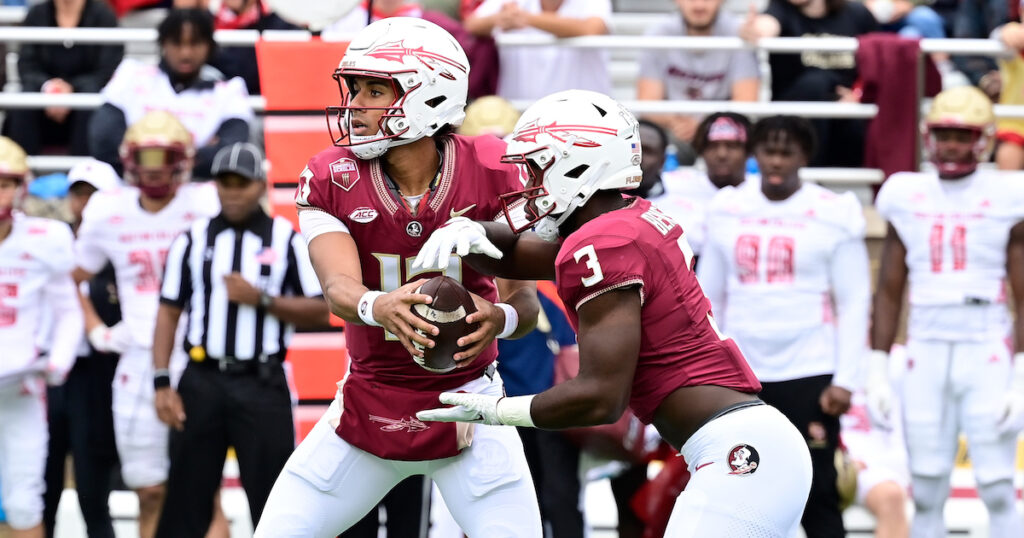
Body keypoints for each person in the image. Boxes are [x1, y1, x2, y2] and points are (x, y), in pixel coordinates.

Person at [411, 89, 813, 536]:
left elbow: (602, 396)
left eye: (537, 167)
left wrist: (497, 411)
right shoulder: (627, 219)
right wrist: (470, 231)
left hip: (738, 453)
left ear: (579, 165)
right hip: (747, 444)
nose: (528, 183)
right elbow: (522, 256)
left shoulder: (606, 242)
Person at [253, 18, 542, 537]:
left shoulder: (496, 168)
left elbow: (527, 308)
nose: (357, 103)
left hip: (471, 403)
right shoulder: (331, 175)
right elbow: (339, 289)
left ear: (430, 95)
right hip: (369, 401)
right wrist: (378, 305)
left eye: (375, 89)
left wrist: (497, 318)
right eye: (356, 88)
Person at [697, 115, 870, 537]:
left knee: (819, 488)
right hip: (742, 370)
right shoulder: (728, 207)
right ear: (755, 154)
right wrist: (705, 369)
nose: (776, 161)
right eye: (768, 150)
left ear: (804, 156)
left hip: (808, 367)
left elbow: (854, 300)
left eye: (786, 151)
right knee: (740, 483)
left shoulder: (833, 210)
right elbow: (708, 297)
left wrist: (846, 378)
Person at [867, 86, 1024, 538]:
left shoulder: (1006, 195)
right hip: (926, 343)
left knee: (997, 485)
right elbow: (890, 288)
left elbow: (1023, 291)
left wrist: (1020, 372)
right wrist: (877, 364)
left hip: (986, 341)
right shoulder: (905, 192)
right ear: (927, 136)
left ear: (984, 139)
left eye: (962, 134)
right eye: (944, 134)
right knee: (929, 486)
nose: (952, 144)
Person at [152, 142, 328, 537]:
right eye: (224, 182)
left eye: (241, 183)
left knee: (273, 501)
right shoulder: (193, 239)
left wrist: (262, 300)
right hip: (201, 379)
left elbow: (320, 310)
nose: (232, 191)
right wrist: (162, 379)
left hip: (261, 383)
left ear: (261, 185)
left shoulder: (286, 239)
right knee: (186, 498)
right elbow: (168, 310)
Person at [72, 110, 220, 538]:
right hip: (138, 361)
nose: (155, 169)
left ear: (184, 159)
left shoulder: (206, 204)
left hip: (198, 356)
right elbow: (74, 278)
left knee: (203, 490)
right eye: (146, 157)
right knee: (150, 490)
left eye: (164, 157)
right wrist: (95, 327)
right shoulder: (107, 209)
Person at [0, 136, 84, 538]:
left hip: (20, 389)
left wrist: (58, 361)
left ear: (21, 186)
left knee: (24, 501)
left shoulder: (44, 239)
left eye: (2, 183)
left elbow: (69, 311)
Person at [42, 159, 122, 538]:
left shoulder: (120, 250)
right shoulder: (46, 243)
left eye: (94, 195)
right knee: (42, 488)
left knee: (93, 492)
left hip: (98, 376)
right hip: (48, 374)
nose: (85, 203)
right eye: (79, 193)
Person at [88, 8, 252, 179]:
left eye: (194, 44)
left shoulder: (228, 91)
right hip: (132, 189)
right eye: (177, 43)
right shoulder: (131, 76)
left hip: (199, 192)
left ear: (209, 46)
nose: (185, 53)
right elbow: (104, 143)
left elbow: (229, 155)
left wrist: (143, 155)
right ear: (163, 43)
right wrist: (193, 156)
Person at [741, 0, 878, 167]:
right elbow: (767, 25)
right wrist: (753, 30)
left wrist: (858, 95)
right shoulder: (780, 8)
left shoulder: (857, 13)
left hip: (845, 123)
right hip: (795, 123)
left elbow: (881, 59)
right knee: (815, 83)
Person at [4, 0, 123, 156]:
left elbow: (107, 69)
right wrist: (49, 87)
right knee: (25, 101)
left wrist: (71, 88)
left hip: (85, 106)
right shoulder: (37, 14)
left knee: (90, 97)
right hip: (43, 104)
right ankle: (21, 173)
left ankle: (84, 176)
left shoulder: (103, 15)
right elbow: (27, 64)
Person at [636, 0, 759, 144]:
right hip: (674, 132)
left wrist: (703, 124)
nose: (699, 5)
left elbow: (746, 101)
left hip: (723, 133)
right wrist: (678, 123)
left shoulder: (740, 34)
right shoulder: (658, 34)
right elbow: (647, 104)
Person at [465, 0, 612, 100]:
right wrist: (499, 19)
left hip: (581, 120)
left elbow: (592, 28)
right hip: (522, 119)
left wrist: (526, 18)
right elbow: (472, 25)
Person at [651, 113, 753, 257]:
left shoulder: (764, 191)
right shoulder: (671, 184)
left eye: (732, 146)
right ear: (700, 150)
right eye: (713, 146)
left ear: (749, 151)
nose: (722, 154)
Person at [840, 345, 910, 538]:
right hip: (820, 462)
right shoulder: (816, 350)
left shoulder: (899, 360)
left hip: (872, 468)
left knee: (891, 496)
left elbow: (904, 434)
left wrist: (863, 465)